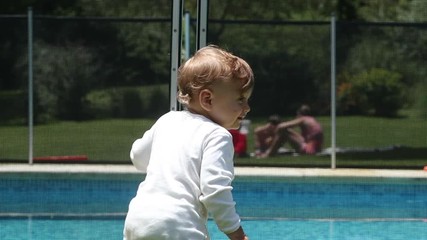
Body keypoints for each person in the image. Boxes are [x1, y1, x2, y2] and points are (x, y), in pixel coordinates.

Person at [123, 45, 254, 240]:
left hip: (138, 220)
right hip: (179, 225)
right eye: (241, 99)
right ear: (207, 99)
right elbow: (215, 190)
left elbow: (138, 157)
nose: (247, 108)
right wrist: (236, 233)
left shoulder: (167, 120)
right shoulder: (217, 135)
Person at [258, 105, 323, 157]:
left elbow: (280, 127)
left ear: (299, 114)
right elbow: (302, 138)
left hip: (309, 150)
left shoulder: (302, 119)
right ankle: (271, 151)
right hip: (316, 149)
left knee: (283, 131)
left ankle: (269, 154)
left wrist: (273, 136)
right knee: (286, 131)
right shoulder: (312, 119)